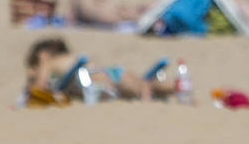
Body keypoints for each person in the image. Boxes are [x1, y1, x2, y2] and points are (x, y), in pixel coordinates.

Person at [23, 37, 178, 103]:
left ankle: (168, 88)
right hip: (109, 72)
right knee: (146, 84)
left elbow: (39, 88)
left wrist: (31, 81)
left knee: (144, 88)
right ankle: (177, 86)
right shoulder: (67, 60)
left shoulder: (47, 62)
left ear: (42, 55)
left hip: (98, 78)